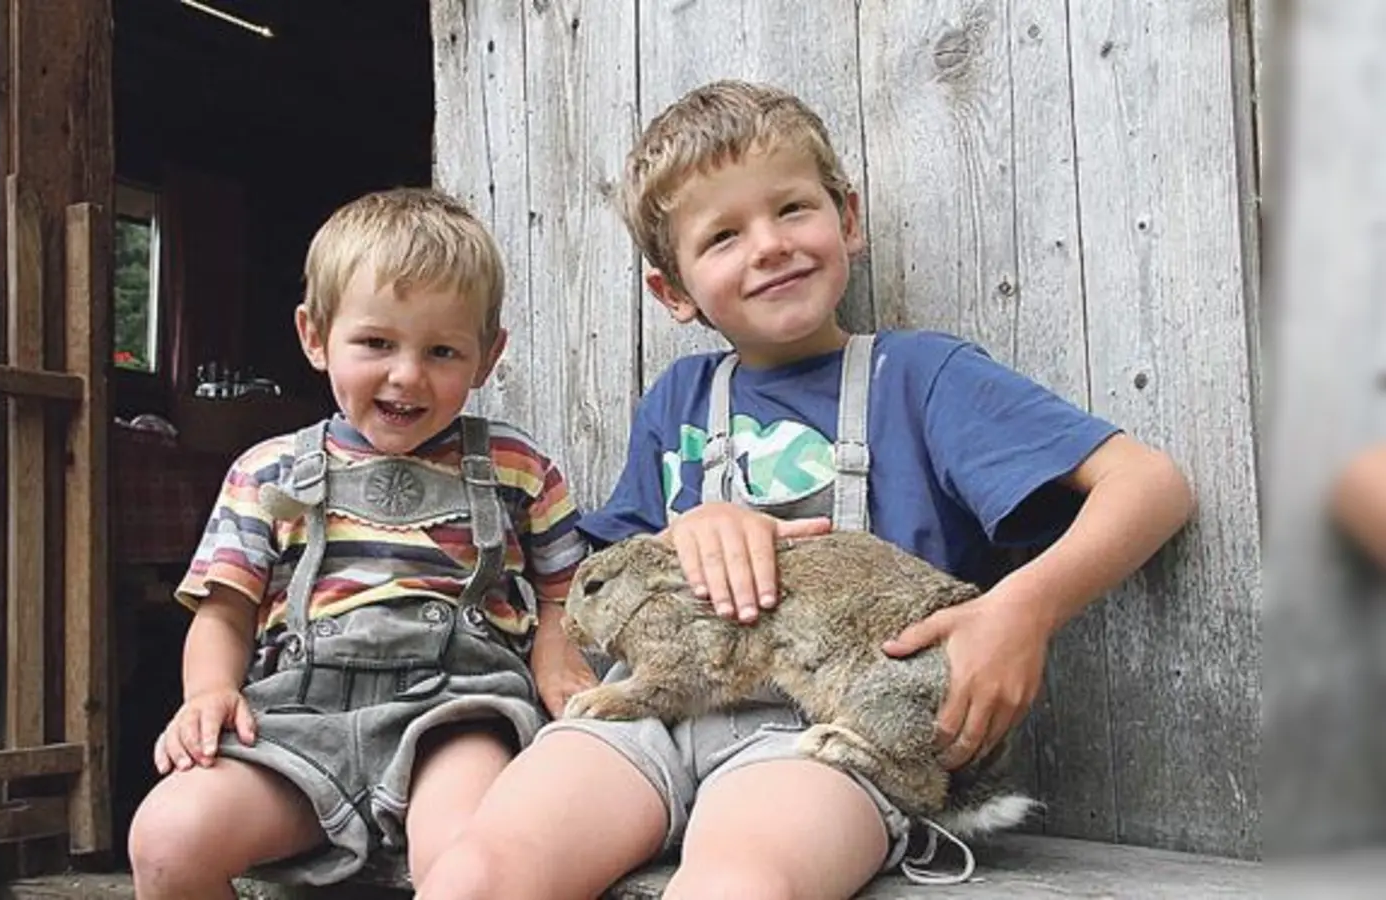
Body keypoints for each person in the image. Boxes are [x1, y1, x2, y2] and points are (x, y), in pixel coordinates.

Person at [416, 80, 1195, 900]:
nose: (769, 245)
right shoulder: (679, 400)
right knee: (479, 871)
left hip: (825, 735)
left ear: (846, 218)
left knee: (737, 884)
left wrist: (1021, 612)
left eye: (791, 209)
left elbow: (1151, 485)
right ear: (673, 292)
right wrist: (686, 533)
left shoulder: (921, 378)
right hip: (651, 713)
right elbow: (598, 575)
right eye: (723, 235)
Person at [126, 187, 596, 899]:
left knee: (464, 859)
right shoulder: (266, 471)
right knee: (166, 839)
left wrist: (556, 660)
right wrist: (210, 691)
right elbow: (224, 611)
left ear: (488, 356)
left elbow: (567, 589)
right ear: (315, 336)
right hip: (296, 721)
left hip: (455, 717)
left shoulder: (516, 468)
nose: (407, 374)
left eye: (442, 351)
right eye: (376, 343)